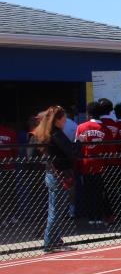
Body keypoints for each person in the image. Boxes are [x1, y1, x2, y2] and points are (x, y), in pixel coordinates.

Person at [33, 106, 79, 252]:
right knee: (56, 211)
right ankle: (50, 243)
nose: (66, 121)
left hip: (52, 173)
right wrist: (78, 143)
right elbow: (70, 151)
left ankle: (55, 241)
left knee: (55, 209)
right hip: (59, 174)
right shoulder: (56, 134)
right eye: (64, 119)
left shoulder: (46, 132)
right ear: (57, 120)